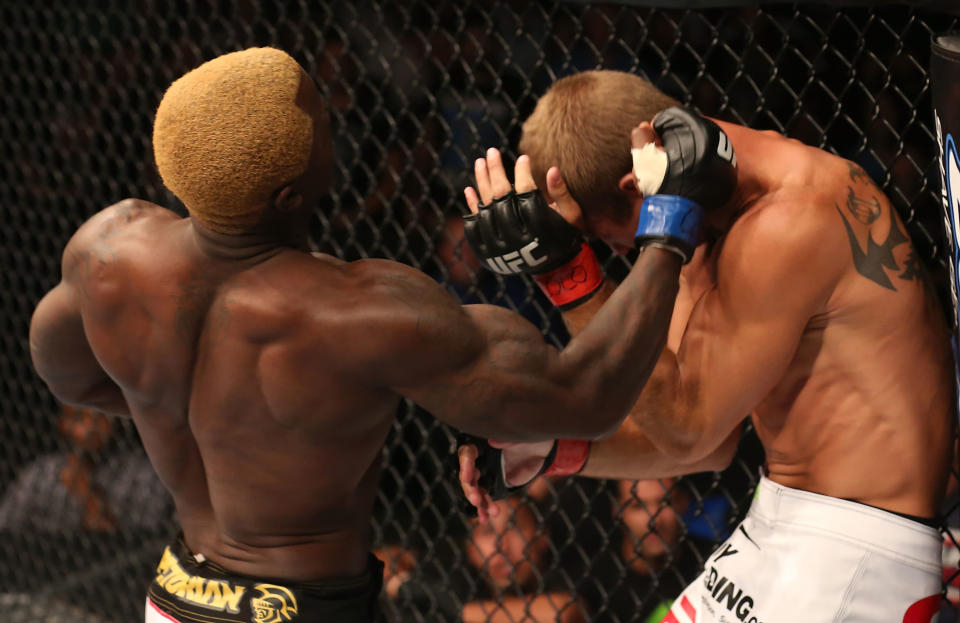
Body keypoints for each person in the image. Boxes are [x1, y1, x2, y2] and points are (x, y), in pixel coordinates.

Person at [27, 50, 704, 623]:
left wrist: (184, 405)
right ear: (293, 194)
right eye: (321, 121)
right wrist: (670, 220)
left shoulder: (107, 248)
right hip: (306, 604)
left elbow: (63, 373)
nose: (335, 120)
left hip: (176, 596)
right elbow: (588, 395)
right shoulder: (362, 311)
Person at [458, 69, 954, 621]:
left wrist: (571, 279)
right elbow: (694, 439)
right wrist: (547, 449)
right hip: (780, 526)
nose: (620, 255)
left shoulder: (786, 221)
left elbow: (687, 427)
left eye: (605, 238)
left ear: (635, 188)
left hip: (851, 557)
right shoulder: (697, 207)